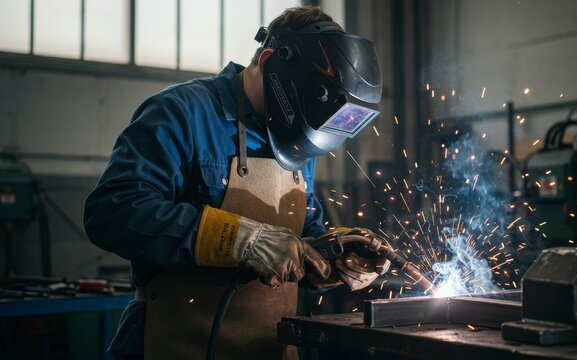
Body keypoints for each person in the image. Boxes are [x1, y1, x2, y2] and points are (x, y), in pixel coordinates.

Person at [84, 6, 387, 360]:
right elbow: (112, 212)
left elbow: (300, 240)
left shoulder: (295, 139)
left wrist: (332, 259)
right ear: (268, 61)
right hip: (174, 344)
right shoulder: (183, 112)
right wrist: (241, 240)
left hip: (269, 349)